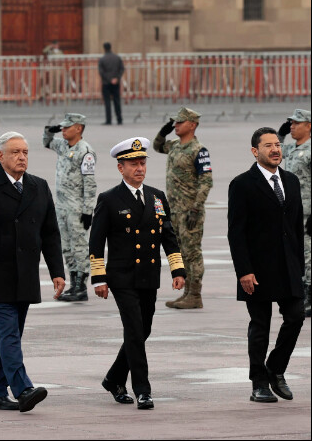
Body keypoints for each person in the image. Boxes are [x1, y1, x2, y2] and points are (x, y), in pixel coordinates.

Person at [0, 131, 65, 413]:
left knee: (11, 336)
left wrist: (57, 270)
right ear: (0, 156)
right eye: (15, 152)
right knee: (8, 334)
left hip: (26, 276)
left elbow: (50, 233)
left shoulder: (38, 186)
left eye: (25, 152)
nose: (22, 157)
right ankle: (23, 389)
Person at [89, 137, 186, 410]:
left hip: (148, 275)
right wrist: (99, 278)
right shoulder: (109, 199)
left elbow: (168, 235)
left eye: (142, 163)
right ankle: (143, 390)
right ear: (121, 167)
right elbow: (96, 242)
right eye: (133, 164)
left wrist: (177, 269)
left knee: (143, 330)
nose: (139, 168)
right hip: (121, 277)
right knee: (134, 330)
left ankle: (113, 379)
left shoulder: (157, 197)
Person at [227, 127, 305, 403]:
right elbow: (236, 233)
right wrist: (244, 271)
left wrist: (301, 268)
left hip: (289, 267)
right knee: (260, 325)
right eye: (269, 145)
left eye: (278, 145)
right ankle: (258, 382)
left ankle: (275, 369)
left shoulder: (291, 181)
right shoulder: (242, 184)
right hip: (257, 270)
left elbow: (296, 228)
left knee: (296, 316)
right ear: (255, 151)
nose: (275, 149)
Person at [153, 107, 213, 309]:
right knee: (180, 252)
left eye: (180, 122)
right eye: (175, 122)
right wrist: (164, 130)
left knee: (192, 252)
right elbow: (157, 146)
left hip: (190, 212)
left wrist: (196, 208)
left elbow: (206, 181)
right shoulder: (175, 146)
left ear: (193, 125)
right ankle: (187, 292)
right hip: (175, 210)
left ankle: (195, 294)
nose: (176, 125)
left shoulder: (199, 150)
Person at [43, 113, 97, 301]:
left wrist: (88, 210)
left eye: (67, 127)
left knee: (80, 246)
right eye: (62, 127)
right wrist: (50, 130)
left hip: (76, 207)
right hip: (62, 206)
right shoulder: (63, 145)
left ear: (79, 128)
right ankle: (73, 283)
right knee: (66, 246)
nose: (63, 130)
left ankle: (81, 286)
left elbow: (90, 183)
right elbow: (47, 142)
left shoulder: (85, 151)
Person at [277, 109, 311, 318]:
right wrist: (280, 135)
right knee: (294, 251)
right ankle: (298, 291)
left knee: (308, 253)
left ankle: (309, 293)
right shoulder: (290, 149)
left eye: (297, 123)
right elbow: (273, 153)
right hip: (290, 211)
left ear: (309, 126)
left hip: (308, 212)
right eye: (290, 123)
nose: (292, 126)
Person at [98, 42, 124, 125]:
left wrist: (109, 79)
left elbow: (101, 72)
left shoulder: (102, 59)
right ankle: (119, 119)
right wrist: (116, 78)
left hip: (106, 83)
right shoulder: (117, 58)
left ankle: (108, 120)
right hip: (116, 82)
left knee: (107, 102)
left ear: (104, 48)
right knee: (117, 101)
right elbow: (122, 69)